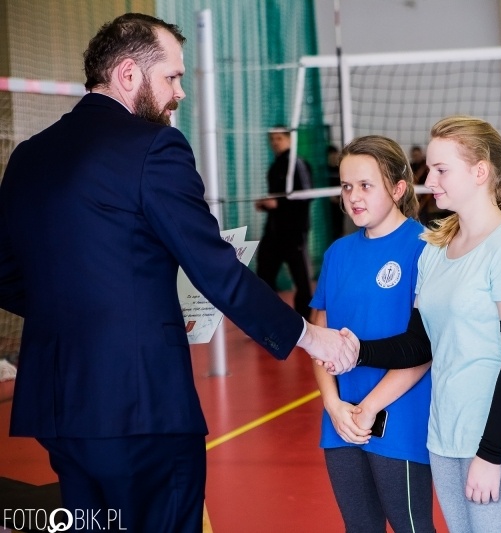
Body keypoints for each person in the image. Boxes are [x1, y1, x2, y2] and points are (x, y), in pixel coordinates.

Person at [0, 13, 355, 532]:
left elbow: (8, 273)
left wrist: (99, 308)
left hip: (59, 407)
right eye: (172, 77)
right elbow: (216, 269)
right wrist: (311, 338)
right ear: (127, 75)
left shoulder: (29, 156)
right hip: (140, 407)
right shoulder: (154, 148)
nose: (180, 93)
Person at [354, 116, 501, 533]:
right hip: (446, 435)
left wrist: (490, 453)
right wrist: (357, 350)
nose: (430, 179)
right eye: (430, 168)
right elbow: (420, 345)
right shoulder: (436, 249)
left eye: (442, 170)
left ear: (480, 172)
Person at [310, 135, 434, 533]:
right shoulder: (337, 253)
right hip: (341, 419)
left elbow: (424, 347)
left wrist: (369, 408)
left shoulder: (425, 247)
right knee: (359, 527)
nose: (354, 197)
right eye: (347, 186)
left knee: (411, 526)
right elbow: (319, 338)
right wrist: (333, 405)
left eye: (366, 185)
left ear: (398, 189)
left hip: (399, 415)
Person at [255, 127, 313, 319]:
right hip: (273, 231)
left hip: (294, 231)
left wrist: (278, 203)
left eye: (279, 138)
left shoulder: (297, 163)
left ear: (289, 139)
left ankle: (304, 319)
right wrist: (267, 204)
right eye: (272, 139)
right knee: (264, 274)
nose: (274, 142)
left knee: (301, 278)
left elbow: (306, 196)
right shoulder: (275, 166)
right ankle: (267, 318)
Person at [326, 144, 345, 240]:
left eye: (335, 154)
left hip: (339, 205)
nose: (334, 157)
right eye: (331, 155)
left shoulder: (342, 169)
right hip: (328, 207)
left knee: (338, 229)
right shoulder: (324, 171)